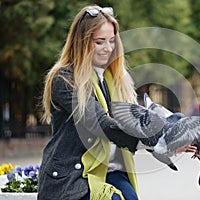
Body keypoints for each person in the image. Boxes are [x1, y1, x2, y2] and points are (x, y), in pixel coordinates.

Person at [38, 5, 141, 200]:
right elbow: (101, 124)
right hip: (73, 174)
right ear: (82, 42)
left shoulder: (117, 78)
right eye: (100, 42)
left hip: (110, 170)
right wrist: (156, 140)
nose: (108, 48)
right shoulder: (64, 79)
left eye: (112, 41)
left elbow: (137, 119)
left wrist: (173, 138)